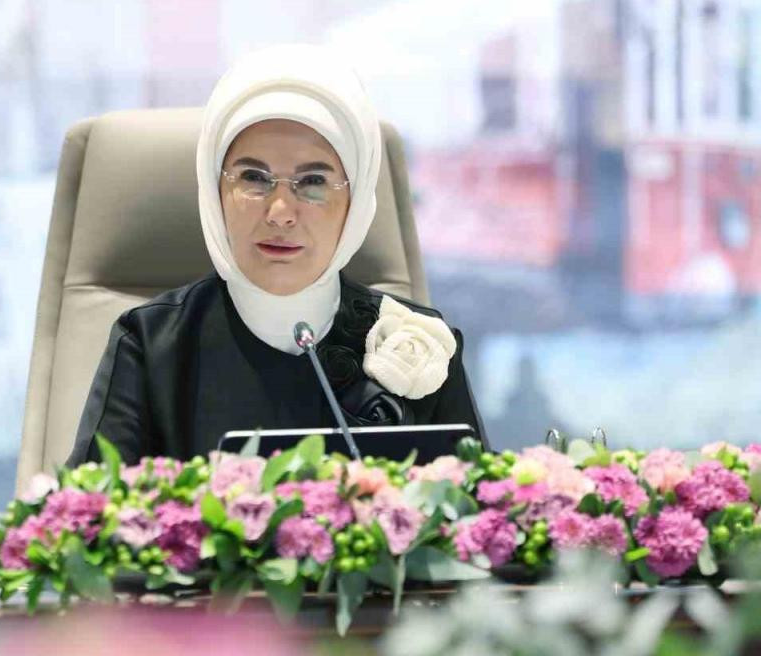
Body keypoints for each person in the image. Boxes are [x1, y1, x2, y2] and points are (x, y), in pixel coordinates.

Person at [66, 45, 486, 466]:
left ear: (355, 201)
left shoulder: (422, 346)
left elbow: (481, 503)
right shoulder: (151, 344)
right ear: (215, 191)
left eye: (313, 181)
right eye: (253, 177)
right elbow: (89, 503)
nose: (281, 212)